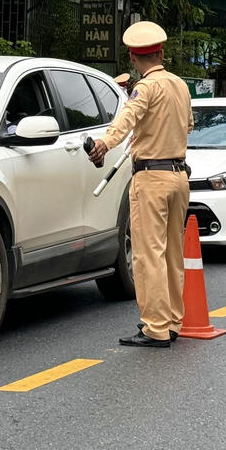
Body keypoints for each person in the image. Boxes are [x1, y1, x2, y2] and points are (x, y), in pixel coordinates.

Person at [88, 21, 193, 348]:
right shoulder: (180, 85)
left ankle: (155, 328)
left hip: (152, 178)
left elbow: (126, 119)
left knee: (148, 255)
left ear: (134, 58)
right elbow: (187, 125)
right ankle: (174, 320)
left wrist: (103, 145)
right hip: (179, 176)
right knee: (174, 253)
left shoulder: (144, 88)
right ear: (161, 52)